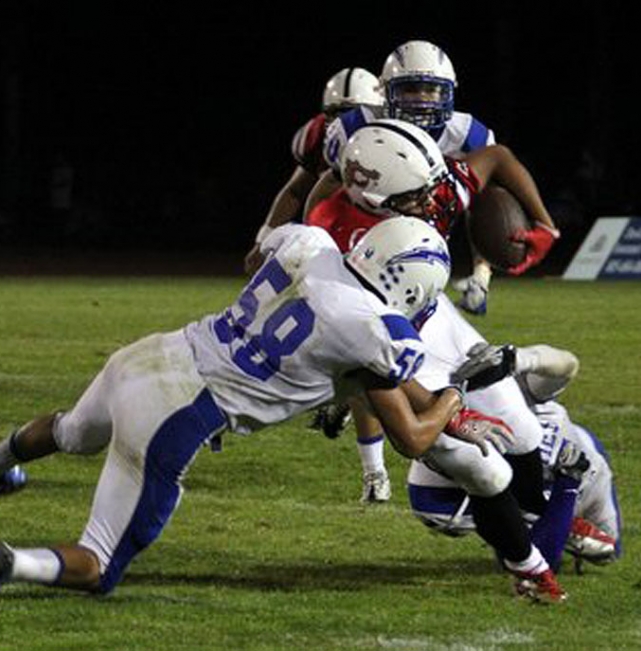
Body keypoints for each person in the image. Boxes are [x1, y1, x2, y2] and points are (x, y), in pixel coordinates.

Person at [0, 217, 523, 604]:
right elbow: (415, 437)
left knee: (71, 430)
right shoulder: (375, 330)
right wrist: (454, 390)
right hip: (178, 410)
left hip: (152, 354)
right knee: (100, 564)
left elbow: (256, 257)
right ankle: (12, 562)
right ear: (410, 284)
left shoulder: (311, 244)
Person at [305, 119, 576, 603]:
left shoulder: (422, 185)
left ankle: (540, 516)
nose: (429, 205)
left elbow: (495, 158)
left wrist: (543, 225)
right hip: (389, 338)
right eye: (413, 199)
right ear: (369, 195)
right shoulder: (330, 234)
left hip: (440, 318)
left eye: (427, 192)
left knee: (524, 435)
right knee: (482, 466)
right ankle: (528, 567)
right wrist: (447, 406)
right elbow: (361, 345)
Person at [318, 39, 560, 316]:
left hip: (431, 218)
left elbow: (490, 178)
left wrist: (483, 272)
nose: (422, 99)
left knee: (485, 195)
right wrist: (312, 236)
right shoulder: (354, 126)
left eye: (431, 89)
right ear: (385, 92)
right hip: (367, 226)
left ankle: (469, 285)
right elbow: (329, 183)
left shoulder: (464, 143)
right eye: (410, 89)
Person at [408, 356, 622, 573]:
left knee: (608, 549)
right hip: (456, 493)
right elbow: (540, 562)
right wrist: (568, 482)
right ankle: (548, 522)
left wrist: (523, 358)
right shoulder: (447, 481)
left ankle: (551, 521)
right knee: (522, 547)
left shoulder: (515, 389)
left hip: (586, 469)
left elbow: (566, 365)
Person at [243, 67, 384, 274]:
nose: (343, 122)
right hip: (335, 226)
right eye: (335, 114)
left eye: (354, 114)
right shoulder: (316, 137)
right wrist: (263, 241)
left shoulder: (390, 140)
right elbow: (296, 192)